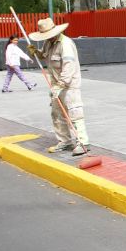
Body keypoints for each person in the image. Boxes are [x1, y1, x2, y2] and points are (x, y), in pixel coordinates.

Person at [26, 18, 90, 156]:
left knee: (74, 113)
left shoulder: (65, 44)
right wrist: (36, 52)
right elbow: (44, 56)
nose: (47, 38)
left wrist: (61, 84)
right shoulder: (48, 43)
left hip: (69, 85)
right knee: (57, 114)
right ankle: (65, 141)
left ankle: (83, 142)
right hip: (55, 84)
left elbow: (69, 66)